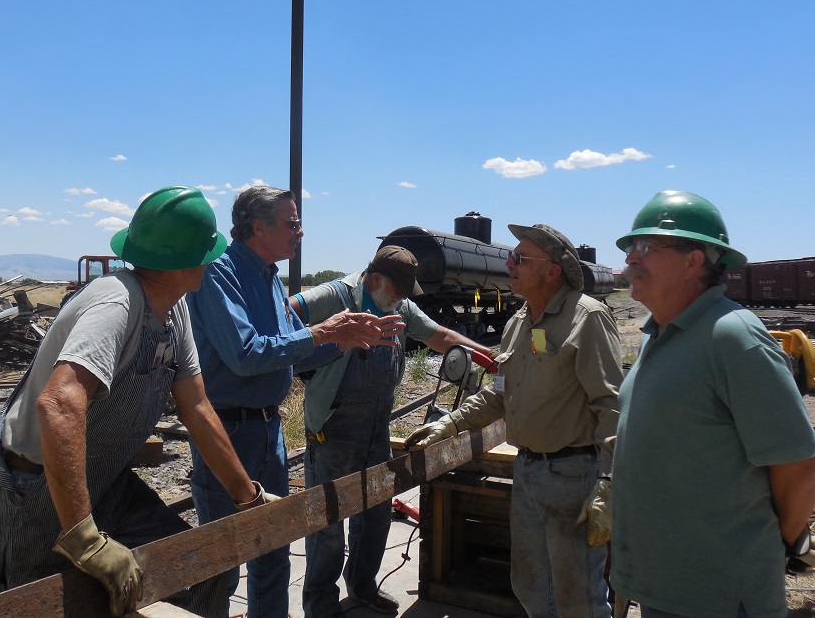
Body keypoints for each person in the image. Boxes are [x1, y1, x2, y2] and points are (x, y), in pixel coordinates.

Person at [0, 186, 274, 618]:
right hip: (34, 494)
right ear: (188, 260)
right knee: (43, 608)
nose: (213, 261)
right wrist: (83, 538)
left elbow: (197, 409)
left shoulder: (175, 310)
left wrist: (248, 498)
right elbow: (59, 404)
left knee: (198, 573)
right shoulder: (116, 302)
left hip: (104, 482)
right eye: (208, 252)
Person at [187, 185, 402, 618]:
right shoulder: (219, 273)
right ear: (257, 228)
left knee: (274, 550)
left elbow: (294, 350)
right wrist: (323, 331)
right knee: (223, 558)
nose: (300, 231)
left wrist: (345, 338)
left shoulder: (269, 276)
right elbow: (247, 355)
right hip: (227, 433)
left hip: (267, 431)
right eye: (293, 222)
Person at [611, 190, 815, 618]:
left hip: (717, 595)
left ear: (694, 261)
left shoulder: (732, 336)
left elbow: (799, 463)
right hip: (662, 586)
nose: (633, 258)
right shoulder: (660, 334)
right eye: (632, 247)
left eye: (647, 247)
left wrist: (768, 549)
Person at [405, 222, 622, 618]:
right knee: (529, 584)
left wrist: (608, 485)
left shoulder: (586, 318)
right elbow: (500, 394)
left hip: (574, 476)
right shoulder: (520, 323)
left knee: (577, 598)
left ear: (553, 271)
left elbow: (611, 406)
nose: (509, 263)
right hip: (528, 474)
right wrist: (449, 424)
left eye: (520, 258)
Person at [290, 245, 496, 618]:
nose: (402, 298)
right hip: (333, 429)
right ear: (374, 278)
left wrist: (492, 359)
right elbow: (285, 312)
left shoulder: (399, 307)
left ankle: (362, 587)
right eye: (397, 289)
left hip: (375, 426)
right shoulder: (334, 295)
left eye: (406, 292)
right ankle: (320, 605)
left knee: (376, 514)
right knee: (328, 521)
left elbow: (441, 337)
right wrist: (320, 336)